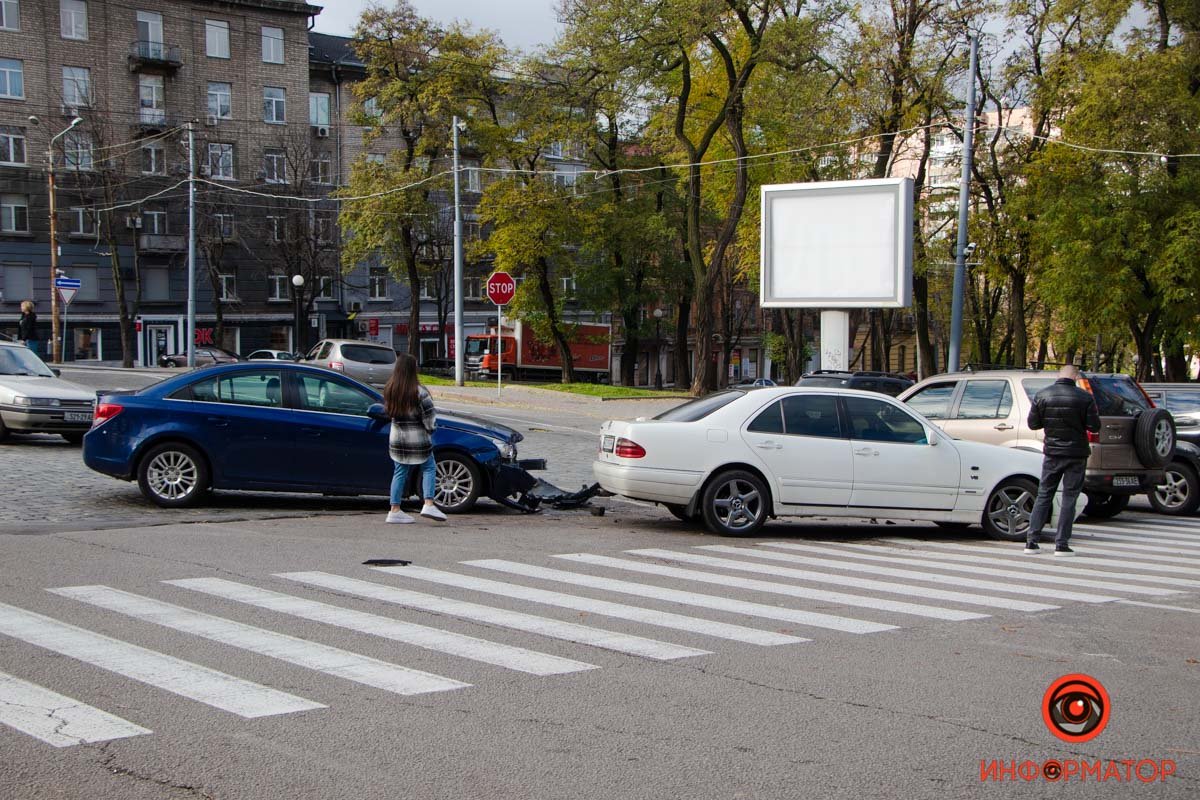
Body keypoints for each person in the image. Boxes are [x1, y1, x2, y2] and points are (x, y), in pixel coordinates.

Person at [1024, 364, 1101, 556]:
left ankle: (1031, 542)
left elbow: (1033, 424)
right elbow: (1094, 426)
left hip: (1052, 454)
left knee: (1044, 495)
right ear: (1075, 377)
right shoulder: (1085, 397)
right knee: (1069, 498)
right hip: (1076, 454)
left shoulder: (1042, 395)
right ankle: (1062, 544)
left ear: (1059, 376)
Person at [382, 353, 447, 524]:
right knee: (429, 467)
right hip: (418, 440)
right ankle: (428, 503)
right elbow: (430, 419)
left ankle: (394, 509)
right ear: (413, 370)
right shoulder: (420, 392)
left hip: (397, 439)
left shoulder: (390, 389)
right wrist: (431, 430)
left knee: (400, 472)